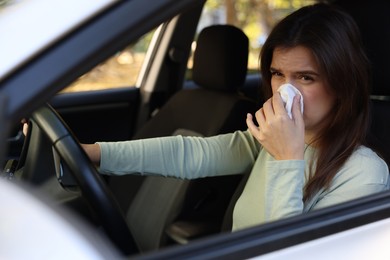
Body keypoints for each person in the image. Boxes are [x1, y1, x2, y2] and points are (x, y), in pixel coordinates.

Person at [82, 3, 389, 231]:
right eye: (277, 74)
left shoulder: (364, 174)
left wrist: (287, 159)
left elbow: (285, 251)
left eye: (306, 78)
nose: (284, 92)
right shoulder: (267, 141)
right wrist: (99, 152)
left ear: (342, 84)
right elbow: (191, 152)